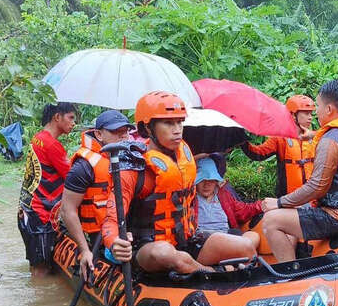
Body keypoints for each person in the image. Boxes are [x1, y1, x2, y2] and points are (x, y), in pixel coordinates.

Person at [102, 91, 256, 274]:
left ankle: (213, 274)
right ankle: (211, 273)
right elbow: (111, 219)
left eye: (179, 122)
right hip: (148, 248)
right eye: (168, 123)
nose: (177, 129)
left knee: (245, 246)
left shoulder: (184, 154)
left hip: (186, 241)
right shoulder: (135, 169)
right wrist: (114, 242)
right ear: (148, 128)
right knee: (166, 253)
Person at [260, 80, 338, 262]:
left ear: (329, 109)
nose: (316, 113)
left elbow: (317, 187)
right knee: (296, 206)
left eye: (318, 106)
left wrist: (280, 202)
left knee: (271, 221)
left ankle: (290, 274)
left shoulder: (331, 139)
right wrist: (313, 135)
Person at [60, 110, 132, 282]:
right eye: (116, 132)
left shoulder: (130, 158)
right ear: (99, 134)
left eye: (126, 131)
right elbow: (67, 210)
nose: (123, 137)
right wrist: (85, 250)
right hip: (97, 236)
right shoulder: (84, 166)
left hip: (121, 227)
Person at [18, 102, 77, 277]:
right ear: (57, 117)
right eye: (71, 117)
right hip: (41, 215)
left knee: (36, 264)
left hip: (27, 211)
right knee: (41, 270)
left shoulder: (38, 138)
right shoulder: (52, 145)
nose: (73, 123)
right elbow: (73, 178)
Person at [240, 94, 317, 197]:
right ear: (293, 115)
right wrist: (241, 139)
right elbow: (258, 153)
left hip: (312, 199)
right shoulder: (280, 139)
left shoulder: (315, 137)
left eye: (311, 114)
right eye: (306, 113)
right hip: (288, 199)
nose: (310, 118)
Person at [193, 157, 262, 250]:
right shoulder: (189, 198)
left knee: (253, 236)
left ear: (216, 181)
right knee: (229, 242)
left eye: (211, 180)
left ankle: (235, 256)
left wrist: (262, 205)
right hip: (204, 239)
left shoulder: (223, 194)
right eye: (202, 180)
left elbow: (242, 210)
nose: (206, 185)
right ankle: (237, 257)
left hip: (227, 235)